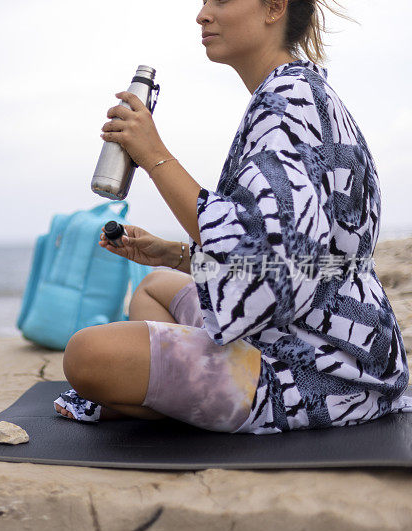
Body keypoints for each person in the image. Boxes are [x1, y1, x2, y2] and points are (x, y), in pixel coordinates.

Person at [53, 0, 412, 434]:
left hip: (321, 366)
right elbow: (289, 260)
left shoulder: (287, 103)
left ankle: (170, 402)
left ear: (274, 8)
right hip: (348, 341)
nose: (202, 15)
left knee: (87, 356)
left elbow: (273, 261)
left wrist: (154, 155)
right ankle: (170, 395)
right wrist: (177, 254)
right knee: (152, 287)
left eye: (221, 0)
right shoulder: (296, 91)